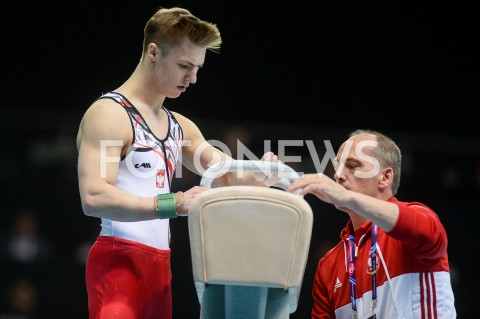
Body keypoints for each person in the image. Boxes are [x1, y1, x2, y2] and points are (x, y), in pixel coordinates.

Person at [76, 7, 279, 319]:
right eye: (185, 66)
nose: (193, 78)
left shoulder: (179, 127)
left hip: (161, 270)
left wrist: (260, 173)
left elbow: (226, 175)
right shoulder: (109, 114)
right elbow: (94, 197)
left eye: (197, 68)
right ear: (153, 52)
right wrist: (175, 203)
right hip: (119, 264)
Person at [288, 129, 456, 318]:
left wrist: (346, 196)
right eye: (338, 166)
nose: (338, 175)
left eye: (352, 165)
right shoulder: (328, 264)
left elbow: (424, 233)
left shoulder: (419, 218)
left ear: (385, 177)